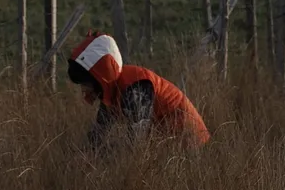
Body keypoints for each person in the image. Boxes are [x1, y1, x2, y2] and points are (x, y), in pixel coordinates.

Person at [67, 31, 210, 147]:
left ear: (100, 76)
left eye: (86, 82)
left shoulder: (135, 89)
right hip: (170, 144)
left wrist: (105, 152)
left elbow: (136, 145)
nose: (84, 88)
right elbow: (98, 134)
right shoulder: (113, 90)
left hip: (190, 144)